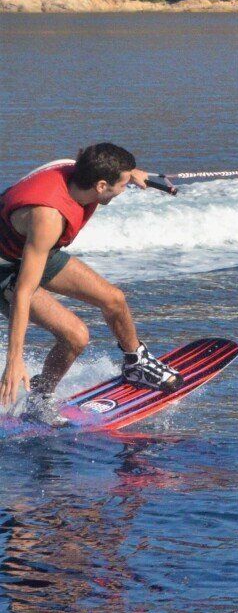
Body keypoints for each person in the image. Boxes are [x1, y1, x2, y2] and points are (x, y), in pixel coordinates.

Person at [3, 144, 180, 426]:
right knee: (76, 336)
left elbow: (100, 162)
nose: (123, 190)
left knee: (114, 299)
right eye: (120, 185)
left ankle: (137, 364)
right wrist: (15, 359)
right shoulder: (48, 217)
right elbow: (24, 291)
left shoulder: (80, 171)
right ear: (100, 185)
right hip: (6, 264)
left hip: (30, 247)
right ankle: (39, 399)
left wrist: (132, 173)